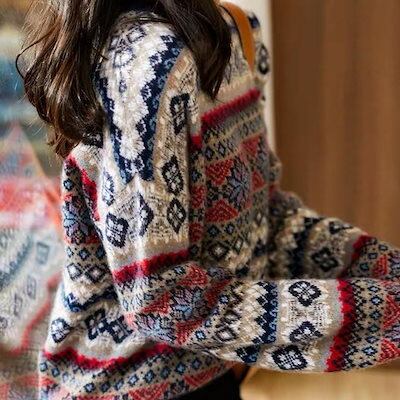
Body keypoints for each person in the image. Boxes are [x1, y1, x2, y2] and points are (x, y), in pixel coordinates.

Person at [20, 0, 399, 399]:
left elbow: (265, 224)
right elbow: (159, 298)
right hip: (131, 386)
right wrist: (381, 311)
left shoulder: (233, 32)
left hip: (208, 371)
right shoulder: (147, 61)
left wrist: (385, 269)